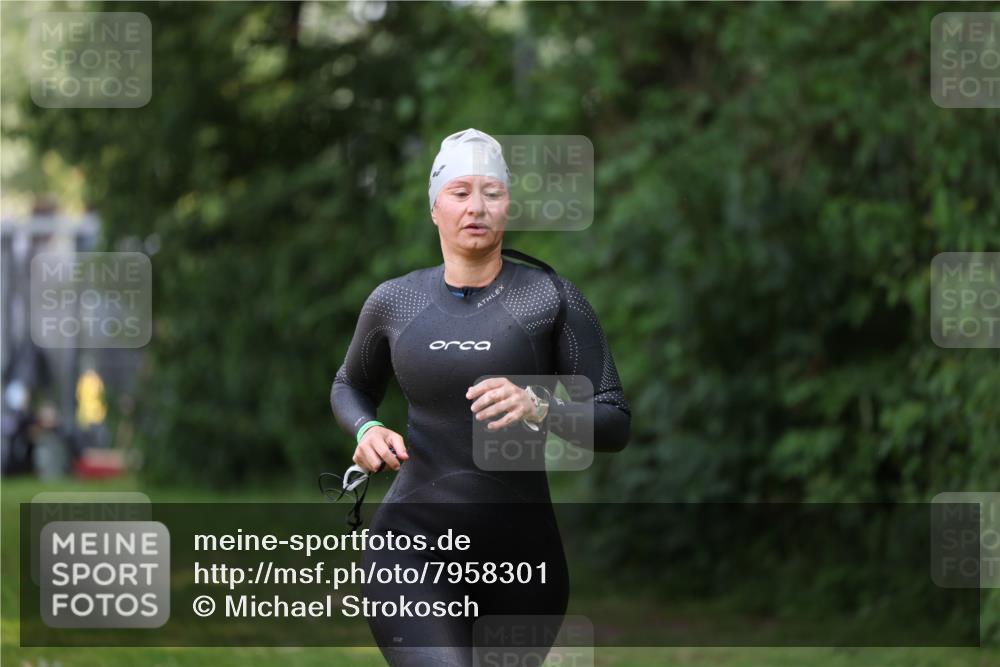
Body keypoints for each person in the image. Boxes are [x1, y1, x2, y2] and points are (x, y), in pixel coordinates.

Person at [330, 128, 631, 666]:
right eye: (461, 192)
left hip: (523, 558)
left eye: (492, 193)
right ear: (435, 208)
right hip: (412, 545)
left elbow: (613, 421)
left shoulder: (551, 298)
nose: (477, 206)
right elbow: (350, 384)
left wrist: (541, 407)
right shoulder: (395, 302)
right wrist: (366, 430)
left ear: (508, 205)